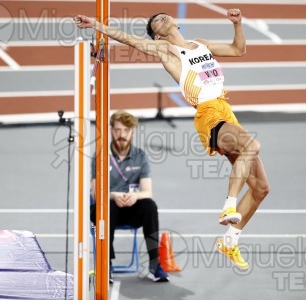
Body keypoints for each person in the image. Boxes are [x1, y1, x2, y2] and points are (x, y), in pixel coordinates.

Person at [75, 9, 270, 270]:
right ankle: (229, 205)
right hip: (208, 114)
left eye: (164, 15)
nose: (162, 18)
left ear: (177, 23)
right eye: (156, 21)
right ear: (157, 36)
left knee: (260, 189)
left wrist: (237, 24)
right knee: (252, 145)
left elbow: (238, 50)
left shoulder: (202, 44)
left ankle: (230, 240)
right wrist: (97, 24)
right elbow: (131, 40)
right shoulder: (166, 50)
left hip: (226, 111)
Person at [90, 110, 169, 283]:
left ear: (132, 132)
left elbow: (147, 191)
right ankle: (106, 265)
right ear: (111, 130)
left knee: (150, 206)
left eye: (126, 131)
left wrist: (135, 196)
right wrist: (113, 195)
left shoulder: (140, 156)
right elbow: (96, 194)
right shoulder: (100, 156)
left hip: (131, 208)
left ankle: (154, 264)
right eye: (118, 130)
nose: (121, 135)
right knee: (105, 208)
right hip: (108, 207)